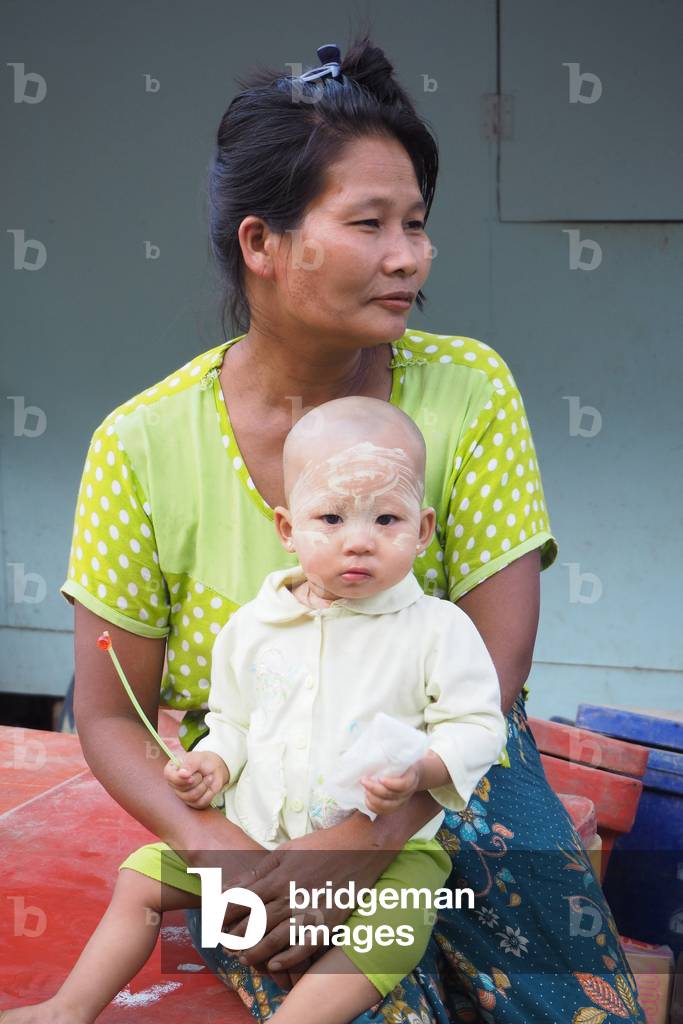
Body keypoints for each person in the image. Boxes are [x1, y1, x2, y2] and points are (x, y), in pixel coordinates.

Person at [45, 30, 645, 1024]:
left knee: (574, 1011)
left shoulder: (466, 391)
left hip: (451, 772)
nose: (408, 255)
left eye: (415, 223)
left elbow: (491, 670)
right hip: (260, 792)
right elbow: (110, 715)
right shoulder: (140, 444)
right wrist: (233, 858)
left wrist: (370, 834)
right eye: (368, 223)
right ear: (261, 244)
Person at [1, 401, 509, 1024]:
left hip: (388, 857)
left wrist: (424, 770)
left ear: (423, 529)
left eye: (387, 518)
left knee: (393, 932)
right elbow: (235, 723)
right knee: (140, 879)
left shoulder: (437, 629)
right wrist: (212, 763)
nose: (358, 539)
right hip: (252, 838)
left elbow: (480, 725)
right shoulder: (253, 628)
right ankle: (69, 1009)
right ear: (287, 528)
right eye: (329, 517)